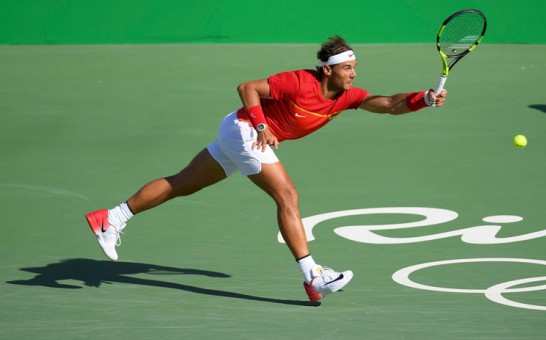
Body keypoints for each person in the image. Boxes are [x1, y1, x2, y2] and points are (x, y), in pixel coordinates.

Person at [85, 36, 447, 302]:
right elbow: (247, 87)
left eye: (354, 68)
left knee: (183, 183)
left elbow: (387, 103)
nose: (353, 74)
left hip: (237, 133)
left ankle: (111, 217)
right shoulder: (299, 81)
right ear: (327, 70)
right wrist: (262, 127)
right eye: (347, 68)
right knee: (287, 195)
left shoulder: (347, 96)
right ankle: (313, 276)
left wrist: (423, 100)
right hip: (246, 131)